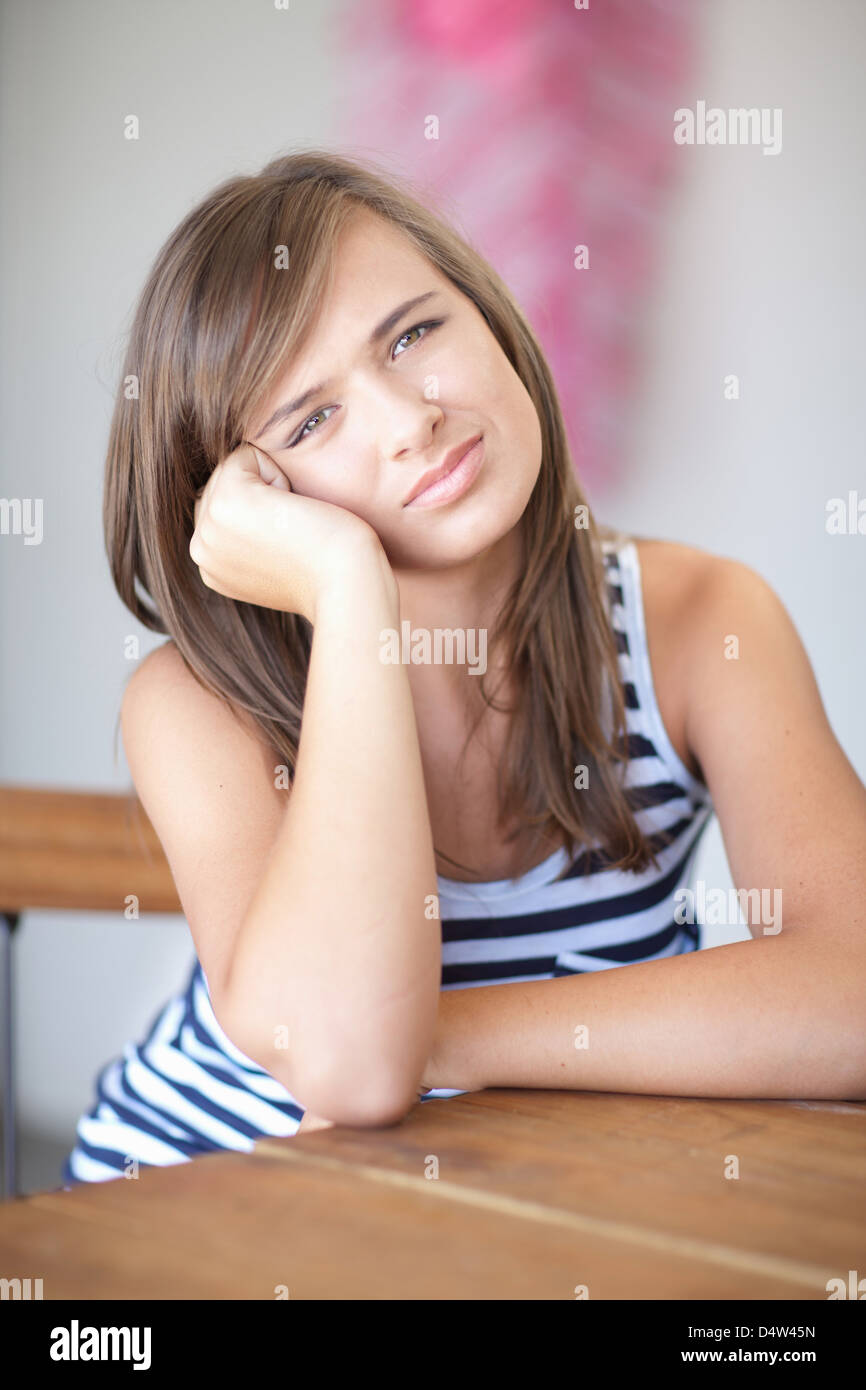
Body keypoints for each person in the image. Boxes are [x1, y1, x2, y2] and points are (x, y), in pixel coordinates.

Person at [62, 148, 866, 1186]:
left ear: (487, 313)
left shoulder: (701, 623)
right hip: (192, 1220)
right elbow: (348, 1067)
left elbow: (850, 994)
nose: (410, 421)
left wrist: (438, 1039)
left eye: (413, 335)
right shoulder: (197, 704)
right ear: (246, 500)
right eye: (312, 420)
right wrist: (347, 590)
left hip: (525, 1214)